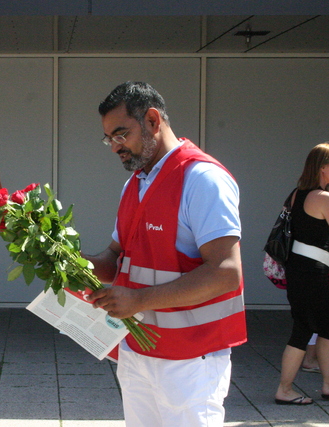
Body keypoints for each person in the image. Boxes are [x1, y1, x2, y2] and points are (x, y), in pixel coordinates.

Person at [83, 81, 247, 427]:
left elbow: (226, 272)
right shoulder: (136, 183)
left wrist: (139, 300)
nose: (115, 147)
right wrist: (76, 263)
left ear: (153, 121)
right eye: (109, 139)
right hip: (138, 351)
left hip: (191, 359)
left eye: (121, 134)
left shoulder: (202, 178)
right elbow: (116, 257)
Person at [274, 142, 329, 405]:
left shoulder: (297, 194)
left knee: (327, 326)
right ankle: (285, 389)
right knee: (305, 329)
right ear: (323, 168)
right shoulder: (324, 198)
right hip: (314, 272)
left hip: (298, 270)